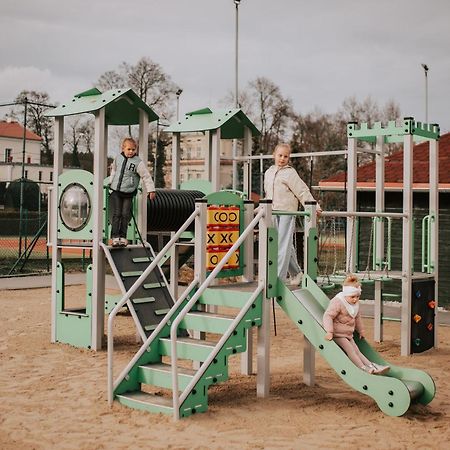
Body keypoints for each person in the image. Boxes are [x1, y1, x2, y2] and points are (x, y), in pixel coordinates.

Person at [264, 143, 321, 285]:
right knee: (284, 245)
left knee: (282, 245)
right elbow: (268, 193)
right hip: (273, 212)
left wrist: (314, 206)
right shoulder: (268, 172)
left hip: (287, 213)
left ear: (289, 158)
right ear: (274, 155)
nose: (282, 159)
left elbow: (302, 191)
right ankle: (296, 273)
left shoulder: (290, 173)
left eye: (286, 156)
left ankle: (278, 279)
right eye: (280, 155)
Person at [323, 274, 390, 375]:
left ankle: (372, 366)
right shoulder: (338, 302)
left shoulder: (354, 304)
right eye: (352, 297)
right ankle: (363, 368)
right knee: (351, 350)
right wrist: (329, 331)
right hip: (337, 334)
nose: (355, 299)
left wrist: (361, 330)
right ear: (345, 294)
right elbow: (328, 316)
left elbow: (357, 317)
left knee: (357, 351)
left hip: (348, 334)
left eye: (358, 296)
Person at [109, 137, 156, 247]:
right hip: (116, 191)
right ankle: (115, 237)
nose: (131, 152)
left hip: (128, 193)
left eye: (133, 150)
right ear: (123, 148)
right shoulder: (118, 158)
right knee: (117, 214)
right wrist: (111, 182)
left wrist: (151, 190)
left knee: (125, 215)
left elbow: (146, 176)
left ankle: (123, 236)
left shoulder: (137, 163)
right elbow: (114, 170)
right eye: (129, 149)